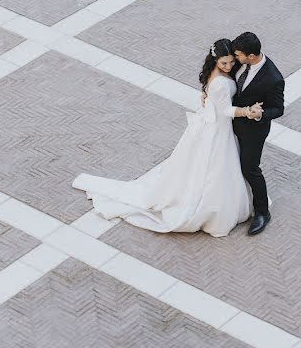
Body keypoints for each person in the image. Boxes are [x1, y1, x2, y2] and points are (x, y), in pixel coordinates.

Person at [72, 38, 258, 237]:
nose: (229, 66)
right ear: (215, 61)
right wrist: (247, 111)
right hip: (218, 128)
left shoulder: (216, 74)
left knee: (203, 165)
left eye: (231, 62)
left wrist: (206, 96)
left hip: (213, 126)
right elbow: (225, 110)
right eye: (224, 63)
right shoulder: (220, 82)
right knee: (214, 167)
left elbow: (210, 93)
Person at [228, 32, 285, 235]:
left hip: (253, 131)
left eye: (239, 55)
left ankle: (262, 212)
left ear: (251, 56)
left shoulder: (273, 78)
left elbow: (278, 109)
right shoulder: (237, 62)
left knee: (249, 168)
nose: (235, 58)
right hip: (228, 122)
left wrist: (260, 114)